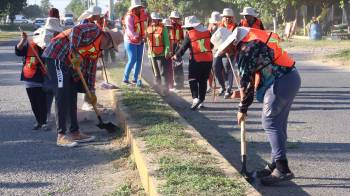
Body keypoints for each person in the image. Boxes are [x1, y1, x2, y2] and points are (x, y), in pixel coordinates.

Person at [214, 27, 300, 185]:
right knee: (278, 124)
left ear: (232, 42)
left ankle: (282, 168)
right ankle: (275, 165)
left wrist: (242, 109)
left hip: (281, 81)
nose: (227, 53)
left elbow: (246, 84)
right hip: (290, 78)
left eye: (226, 49)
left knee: (270, 122)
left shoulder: (245, 50)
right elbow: (252, 80)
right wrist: (243, 95)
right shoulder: (249, 39)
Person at [42, 23, 123, 147]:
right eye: (110, 46)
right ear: (107, 39)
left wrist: (90, 91)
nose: (108, 49)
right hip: (57, 56)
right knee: (62, 93)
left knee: (72, 93)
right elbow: (76, 31)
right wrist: (74, 51)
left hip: (69, 64)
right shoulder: (94, 30)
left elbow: (91, 71)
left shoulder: (97, 52)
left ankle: (75, 132)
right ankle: (61, 135)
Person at [173, 16, 213, 110]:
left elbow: (183, 48)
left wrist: (176, 55)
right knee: (203, 81)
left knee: (192, 79)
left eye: (187, 27)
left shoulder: (190, 34)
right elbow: (211, 45)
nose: (186, 29)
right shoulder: (207, 32)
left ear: (191, 27)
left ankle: (195, 98)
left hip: (196, 60)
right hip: (208, 60)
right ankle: (201, 101)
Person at [15, 31, 48, 131]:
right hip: (30, 78)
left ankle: (44, 121)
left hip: (44, 78)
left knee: (42, 101)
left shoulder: (47, 46)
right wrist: (23, 39)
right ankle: (39, 121)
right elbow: (18, 50)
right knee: (34, 103)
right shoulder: (30, 46)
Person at [36, 8, 64, 122]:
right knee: (58, 90)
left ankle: (49, 116)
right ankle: (55, 117)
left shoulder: (43, 31)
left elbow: (40, 45)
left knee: (50, 89)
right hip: (55, 64)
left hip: (49, 63)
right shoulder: (60, 31)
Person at [122, 0, 148, 85]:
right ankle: (125, 79)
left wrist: (144, 36)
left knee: (139, 60)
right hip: (130, 41)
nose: (138, 9)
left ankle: (135, 79)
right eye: (136, 8)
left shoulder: (143, 15)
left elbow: (145, 26)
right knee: (133, 59)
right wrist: (138, 37)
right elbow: (130, 31)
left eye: (139, 7)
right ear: (133, 8)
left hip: (140, 40)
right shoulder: (129, 17)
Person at [215, 8, 237, 99]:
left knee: (228, 68)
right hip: (219, 51)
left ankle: (228, 89)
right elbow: (215, 38)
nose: (227, 19)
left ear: (232, 18)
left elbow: (236, 40)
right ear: (223, 18)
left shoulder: (235, 27)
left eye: (229, 17)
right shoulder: (219, 26)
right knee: (216, 68)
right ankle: (222, 86)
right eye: (225, 17)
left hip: (230, 52)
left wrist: (230, 49)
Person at [147, 12, 171, 95]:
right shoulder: (148, 28)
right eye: (152, 19)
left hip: (161, 54)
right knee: (155, 72)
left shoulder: (163, 28)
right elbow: (147, 40)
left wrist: (167, 51)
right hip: (151, 54)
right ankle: (158, 88)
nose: (154, 21)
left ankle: (165, 89)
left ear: (158, 20)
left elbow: (167, 41)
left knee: (162, 72)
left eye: (155, 19)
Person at [169, 11, 185, 90]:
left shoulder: (180, 26)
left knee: (179, 64)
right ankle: (173, 82)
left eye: (177, 18)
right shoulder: (168, 26)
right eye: (174, 18)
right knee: (171, 65)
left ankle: (180, 82)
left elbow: (182, 37)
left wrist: (181, 42)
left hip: (178, 46)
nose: (175, 20)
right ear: (171, 18)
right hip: (170, 46)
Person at [207, 11, 222, 93]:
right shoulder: (209, 26)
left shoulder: (221, 26)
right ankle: (210, 85)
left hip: (219, 49)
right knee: (209, 69)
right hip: (211, 50)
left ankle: (221, 86)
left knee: (217, 69)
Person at [162, 18, 176, 92]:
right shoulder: (164, 33)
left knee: (170, 70)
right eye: (166, 27)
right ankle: (168, 87)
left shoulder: (169, 33)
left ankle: (170, 86)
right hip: (165, 54)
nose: (168, 29)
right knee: (167, 70)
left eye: (169, 27)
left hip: (169, 54)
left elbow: (171, 45)